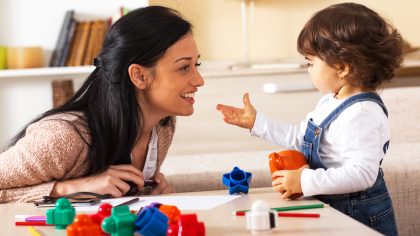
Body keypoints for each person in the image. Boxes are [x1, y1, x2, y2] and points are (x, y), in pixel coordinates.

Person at [216, 3, 402, 235]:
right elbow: (300, 137)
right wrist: (257, 123)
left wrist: (305, 180)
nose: (308, 69)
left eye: (310, 63)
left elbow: (361, 174)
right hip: (331, 205)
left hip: (358, 213)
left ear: (342, 67)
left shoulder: (362, 113)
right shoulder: (330, 101)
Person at [0, 6, 204, 203]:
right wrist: (67, 189)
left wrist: (148, 191)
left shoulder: (163, 126)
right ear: (139, 76)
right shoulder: (63, 137)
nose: (199, 80)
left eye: (196, 65)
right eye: (184, 67)